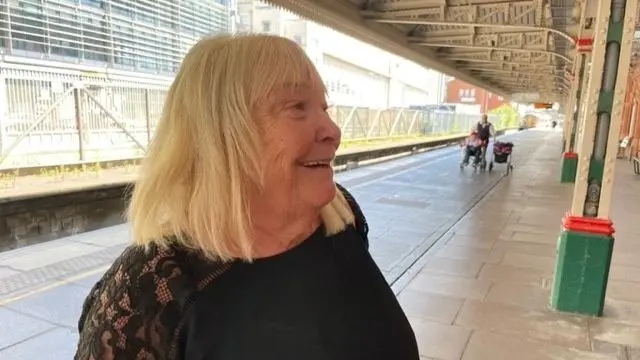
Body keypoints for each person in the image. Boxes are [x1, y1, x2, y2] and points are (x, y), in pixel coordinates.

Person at [74, 34, 419, 360]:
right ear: (222, 134)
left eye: (324, 108)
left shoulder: (340, 213)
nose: (333, 131)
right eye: (298, 106)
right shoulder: (152, 288)